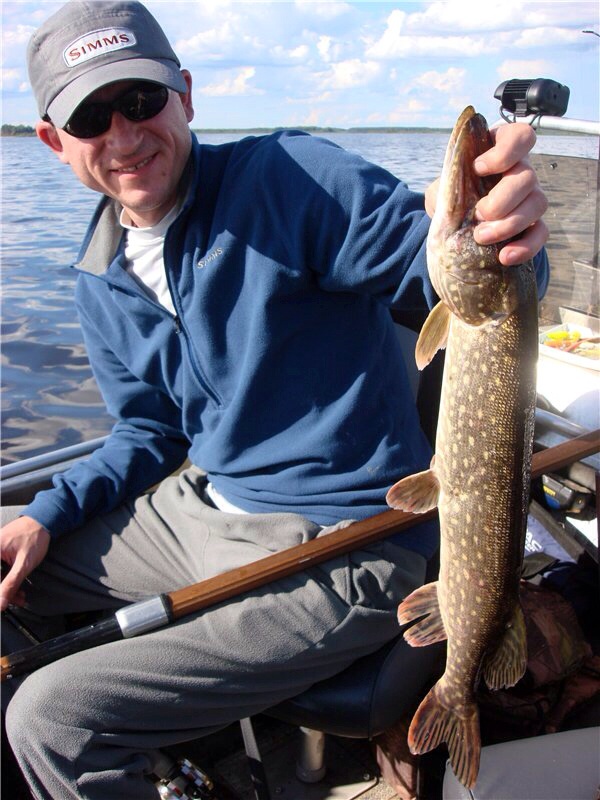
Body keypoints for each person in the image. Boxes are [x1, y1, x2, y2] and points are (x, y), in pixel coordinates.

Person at [1, 1, 549, 797]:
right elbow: (148, 430)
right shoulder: (101, 269)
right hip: (201, 510)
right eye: (91, 117)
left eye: (142, 100)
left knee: (52, 718)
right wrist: (44, 518)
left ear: (185, 96)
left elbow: (453, 275)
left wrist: (506, 233)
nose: (123, 135)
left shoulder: (291, 178)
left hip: (345, 539)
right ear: (54, 141)